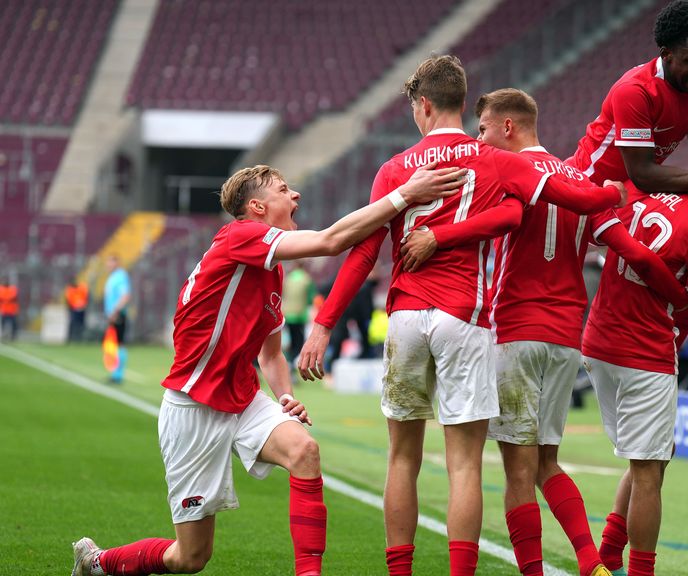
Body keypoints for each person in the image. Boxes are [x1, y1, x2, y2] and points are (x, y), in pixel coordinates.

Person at [296, 56, 625, 576]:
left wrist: (324, 324)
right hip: (465, 319)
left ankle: (400, 571)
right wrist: (611, 192)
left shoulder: (395, 168)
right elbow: (573, 196)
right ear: (458, 100)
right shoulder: (494, 157)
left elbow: (362, 253)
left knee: (402, 457)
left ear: (423, 105)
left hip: (405, 315)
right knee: (464, 464)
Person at [70, 162, 467, 576]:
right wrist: (405, 194)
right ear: (257, 207)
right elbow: (331, 241)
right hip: (193, 406)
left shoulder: (271, 269)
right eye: (283, 189)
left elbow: (271, 355)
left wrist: (285, 397)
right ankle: (98, 563)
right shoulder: (240, 236)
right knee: (189, 558)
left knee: (305, 452)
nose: (295, 196)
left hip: (241, 399)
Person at [399, 87, 688, 576]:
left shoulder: (510, 174)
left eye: (485, 128)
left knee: (519, 471)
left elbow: (508, 217)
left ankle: (539, 571)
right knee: (545, 464)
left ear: (508, 127)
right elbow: (634, 253)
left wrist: (438, 236)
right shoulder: (581, 179)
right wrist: (681, 301)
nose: (481, 138)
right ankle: (591, 562)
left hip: (516, 329)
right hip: (564, 338)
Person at [582, 134, 688, 576]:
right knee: (649, 471)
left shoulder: (646, 188)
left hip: (598, 341)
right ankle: (638, 569)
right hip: (645, 351)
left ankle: (610, 552)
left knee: (652, 457)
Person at [566, 0, 688, 199]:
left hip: (624, 198)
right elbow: (642, 174)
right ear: (666, 54)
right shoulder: (634, 92)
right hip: (583, 188)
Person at [103, 255, 131, 383]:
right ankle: (115, 372)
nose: (108, 265)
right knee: (114, 343)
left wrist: (115, 312)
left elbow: (125, 296)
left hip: (118, 315)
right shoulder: (113, 277)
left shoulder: (120, 276)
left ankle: (118, 374)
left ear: (116, 263)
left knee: (119, 343)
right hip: (113, 315)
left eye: (111, 262)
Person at [283, 260, 316, 365]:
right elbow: (311, 298)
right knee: (299, 341)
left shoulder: (288, 279)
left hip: (287, 314)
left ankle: (288, 361)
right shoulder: (307, 279)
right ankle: (292, 362)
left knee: (290, 340)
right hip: (300, 315)